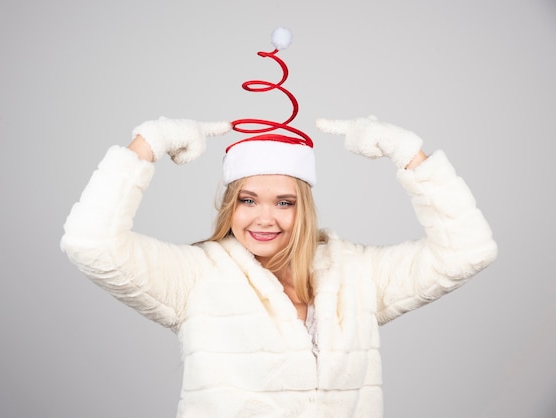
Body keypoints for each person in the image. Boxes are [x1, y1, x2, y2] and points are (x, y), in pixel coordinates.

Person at [61, 28, 497, 418]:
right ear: (230, 204)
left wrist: (408, 153)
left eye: (284, 202)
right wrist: (148, 143)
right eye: (248, 200)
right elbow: (90, 244)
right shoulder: (198, 277)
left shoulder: (355, 274)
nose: (264, 218)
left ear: (303, 206)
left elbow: (467, 251)